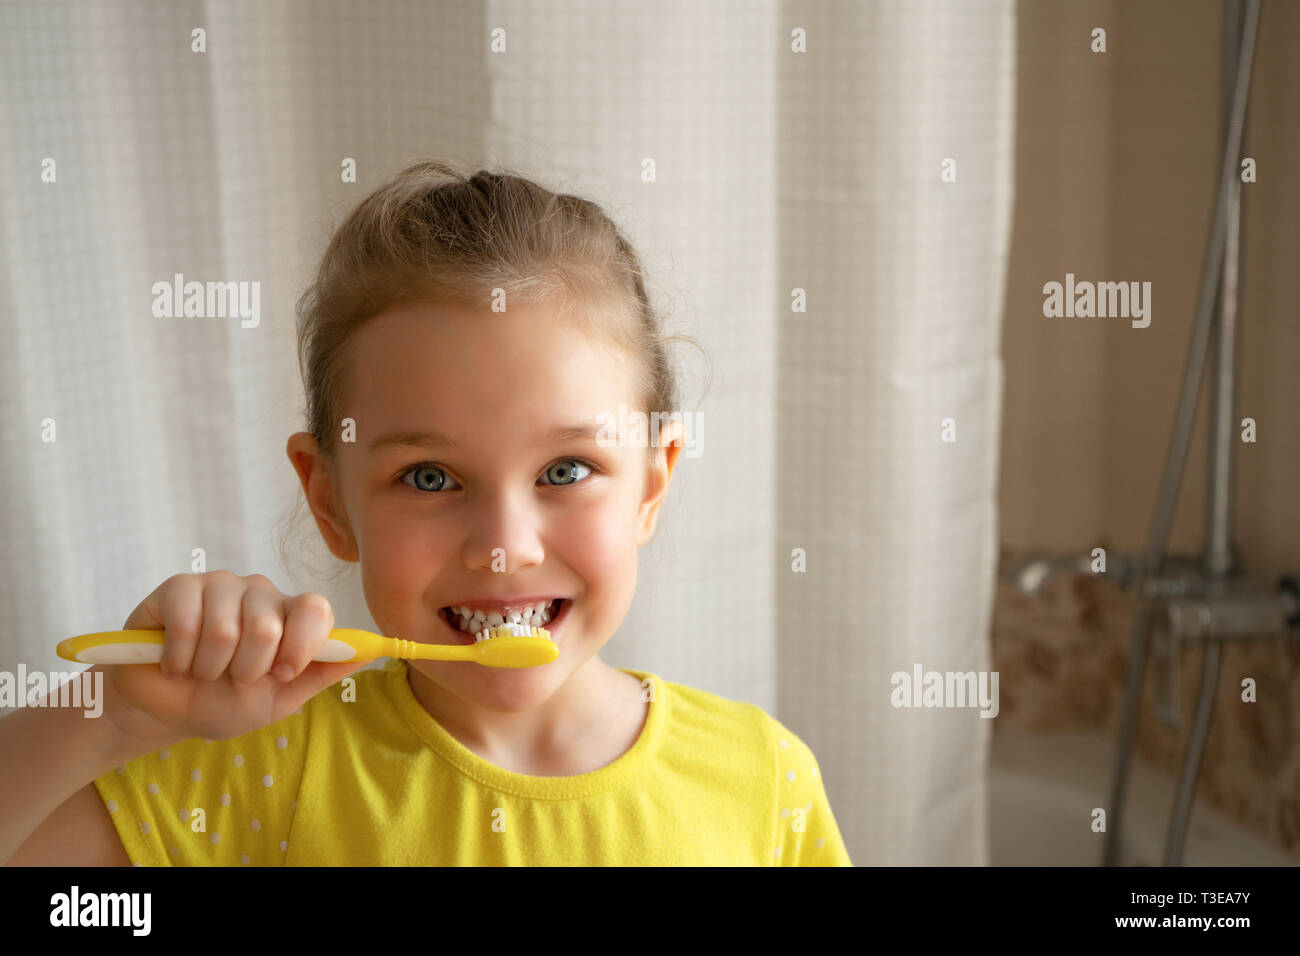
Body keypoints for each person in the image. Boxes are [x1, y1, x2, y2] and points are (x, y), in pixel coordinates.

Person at [2, 159, 852, 866]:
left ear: (651, 486)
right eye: (431, 479)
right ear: (329, 501)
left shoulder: (761, 778)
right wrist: (114, 715)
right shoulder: (260, 769)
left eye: (566, 468)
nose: (504, 549)